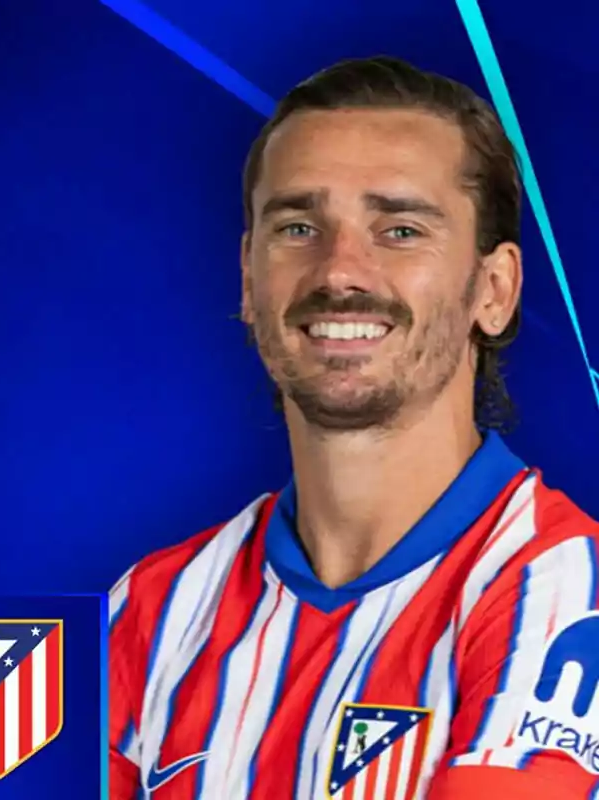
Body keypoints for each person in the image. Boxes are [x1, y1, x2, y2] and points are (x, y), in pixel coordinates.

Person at [108, 56, 599, 799]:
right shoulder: (150, 607)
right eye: (299, 226)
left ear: (494, 291)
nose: (340, 272)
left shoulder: (565, 593)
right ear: (248, 280)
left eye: (399, 230)